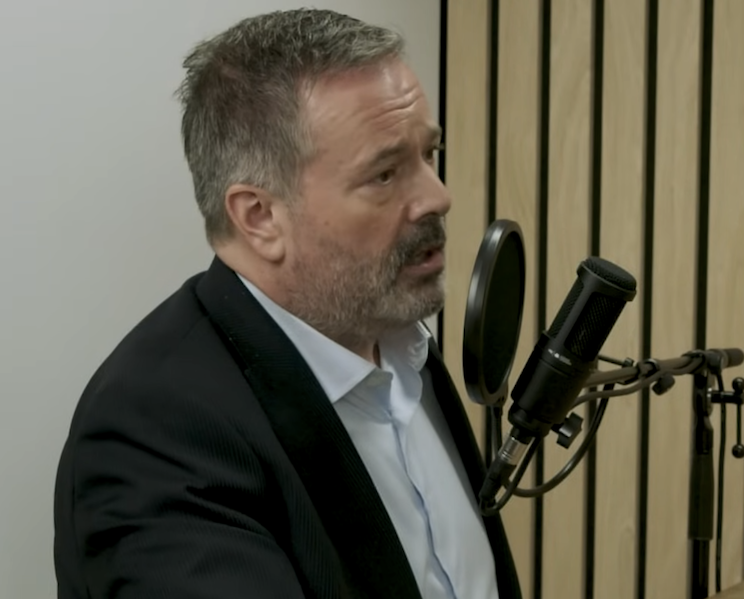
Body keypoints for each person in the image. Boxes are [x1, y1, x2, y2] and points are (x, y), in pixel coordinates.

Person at [53, 8, 521, 599]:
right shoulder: (156, 431)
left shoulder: (404, 349)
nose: (437, 196)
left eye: (429, 155)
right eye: (384, 174)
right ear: (260, 218)